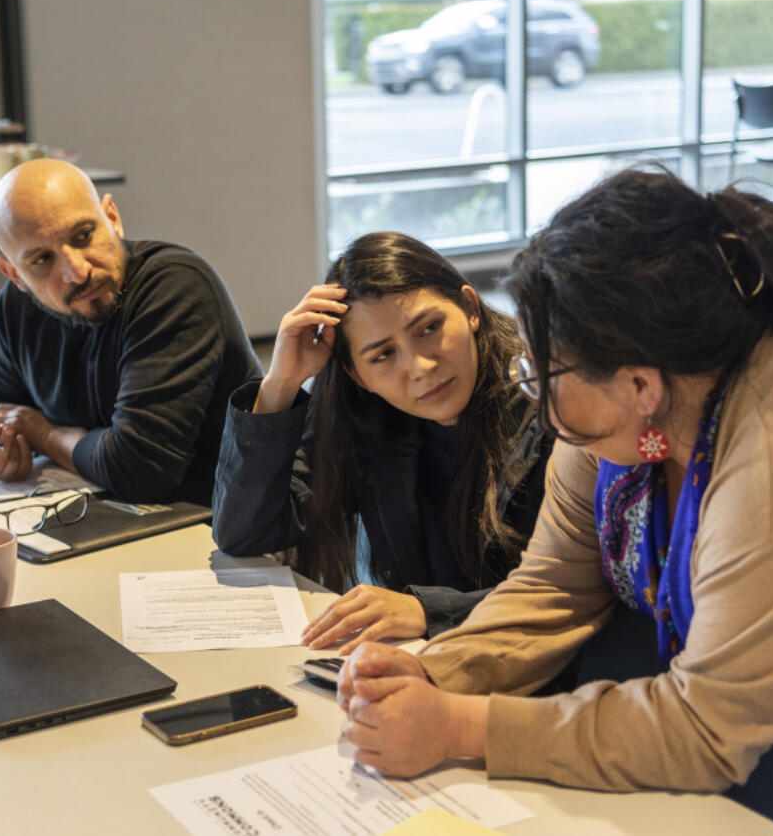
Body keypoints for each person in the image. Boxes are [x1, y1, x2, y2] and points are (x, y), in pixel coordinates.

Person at [336, 168, 773, 832]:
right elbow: (555, 583)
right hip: (746, 689)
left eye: (540, 371)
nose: (540, 406)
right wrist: (428, 674)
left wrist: (463, 725)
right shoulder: (626, 367)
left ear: (642, 386)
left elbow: (705, 730)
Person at [212, 232, 552, 652]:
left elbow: (569, 593)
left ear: (470, 306)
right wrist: (280, 384)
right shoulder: (362, 415)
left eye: (429, 328)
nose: (421, 367)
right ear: (357, 375)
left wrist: (430, 612)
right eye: (383, 355)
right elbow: (244, 535)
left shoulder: (550, 407)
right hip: (426, 662)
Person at [0, 159, 260, 505]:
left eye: (83, 236)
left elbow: (140, 469)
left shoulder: (174, 287)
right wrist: (5, 445)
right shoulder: (19, 306)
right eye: (42, 260)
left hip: (213, 527)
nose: (77, 271)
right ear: (14, 274)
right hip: (103, 514)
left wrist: (45, 436)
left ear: (112, 217)